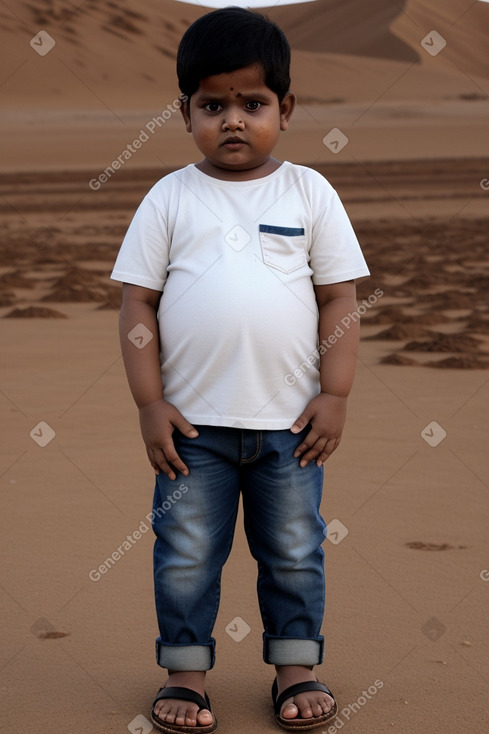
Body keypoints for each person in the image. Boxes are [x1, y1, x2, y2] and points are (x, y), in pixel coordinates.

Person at [111, 7, 369, 733]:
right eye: (211, 105)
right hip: (191, 429)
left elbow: (338, 297)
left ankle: (295, 669)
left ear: (283, 110)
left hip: (290, 427)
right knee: (186, 554)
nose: (232, 121)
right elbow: (138, 302)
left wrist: (336, 393)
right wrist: (147, 403)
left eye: (251, 104)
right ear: (184, 111)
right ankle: (186, 675)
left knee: (292, 550)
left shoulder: (309, 192)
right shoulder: (169, 197)